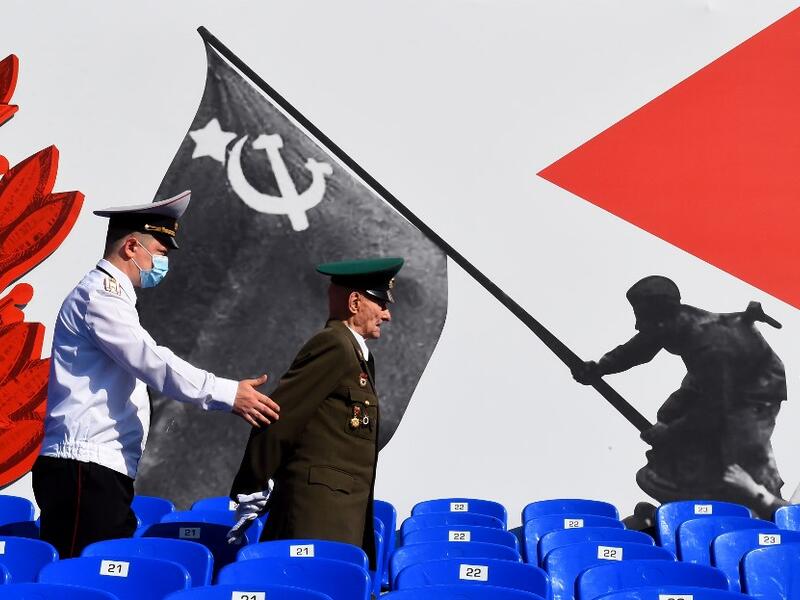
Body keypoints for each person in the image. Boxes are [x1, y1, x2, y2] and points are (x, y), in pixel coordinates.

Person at [33, 190, 281, 558]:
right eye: (161, 253)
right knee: (78, 581)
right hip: (84, 467)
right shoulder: (99, 296)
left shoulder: (112, 297)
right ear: (133, 247)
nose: (163, 263)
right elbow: (152, 361)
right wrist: (225, 393)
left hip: (99, 467)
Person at [228, 257, 404, 570]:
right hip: (316, 518)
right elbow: (279, 417)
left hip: (337, 516)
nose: (387, 315)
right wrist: (251, 486)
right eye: (381, 304)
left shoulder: (356, 354)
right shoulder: (334, 345)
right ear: (354, 302)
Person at [572, 275, 786, 518]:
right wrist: (601, 367)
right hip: (710, 378)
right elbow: (639, 348)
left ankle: (768, 511)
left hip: (755, 389)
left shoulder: (709, 342)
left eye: (642, 317)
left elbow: (714, 408)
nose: (637, 325)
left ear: (662, 313)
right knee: (671, 414)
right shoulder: (669, 323)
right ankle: (684, 489)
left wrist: (670, 433)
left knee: (740, 445)